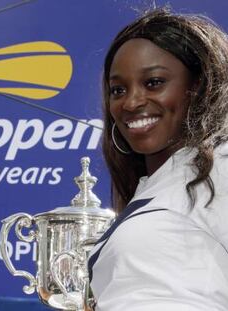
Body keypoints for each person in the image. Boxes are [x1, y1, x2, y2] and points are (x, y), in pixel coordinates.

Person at [88, 7, 228, 311]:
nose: (132, 101)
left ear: (200, 86)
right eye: (118, 90)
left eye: (153, 83)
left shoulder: (223, 164)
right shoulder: (152, 187)